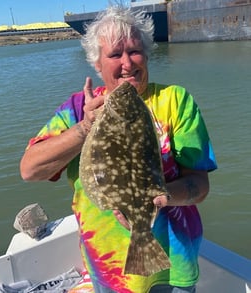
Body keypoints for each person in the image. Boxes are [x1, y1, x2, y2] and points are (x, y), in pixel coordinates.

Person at [20, 5, 217, 293]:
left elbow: (200, 185)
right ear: (97, 64)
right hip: (110, 268)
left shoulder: (176, 101)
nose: (127, 63)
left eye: (135, 50)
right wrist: (85, 128)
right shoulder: (78, 109)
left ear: (147, 54)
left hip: (173, 263)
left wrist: (161, 198)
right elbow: (29, 170)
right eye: (114, 54)